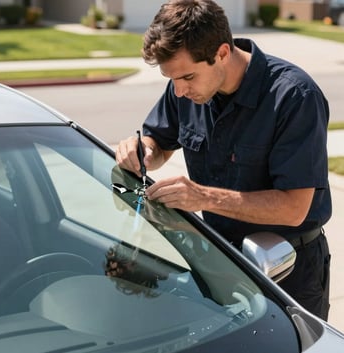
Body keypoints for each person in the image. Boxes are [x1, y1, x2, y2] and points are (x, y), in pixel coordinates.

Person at [115, 0, 331, 320]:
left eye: (187, 77)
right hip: (219, 260)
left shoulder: (293, 97)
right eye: (171, 79)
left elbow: (294, 207)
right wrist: (143, 150)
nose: (178, 91)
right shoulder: (188, 89)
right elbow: (158, 143)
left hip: (288, 270)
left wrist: (201, 197)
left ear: (222, 54)